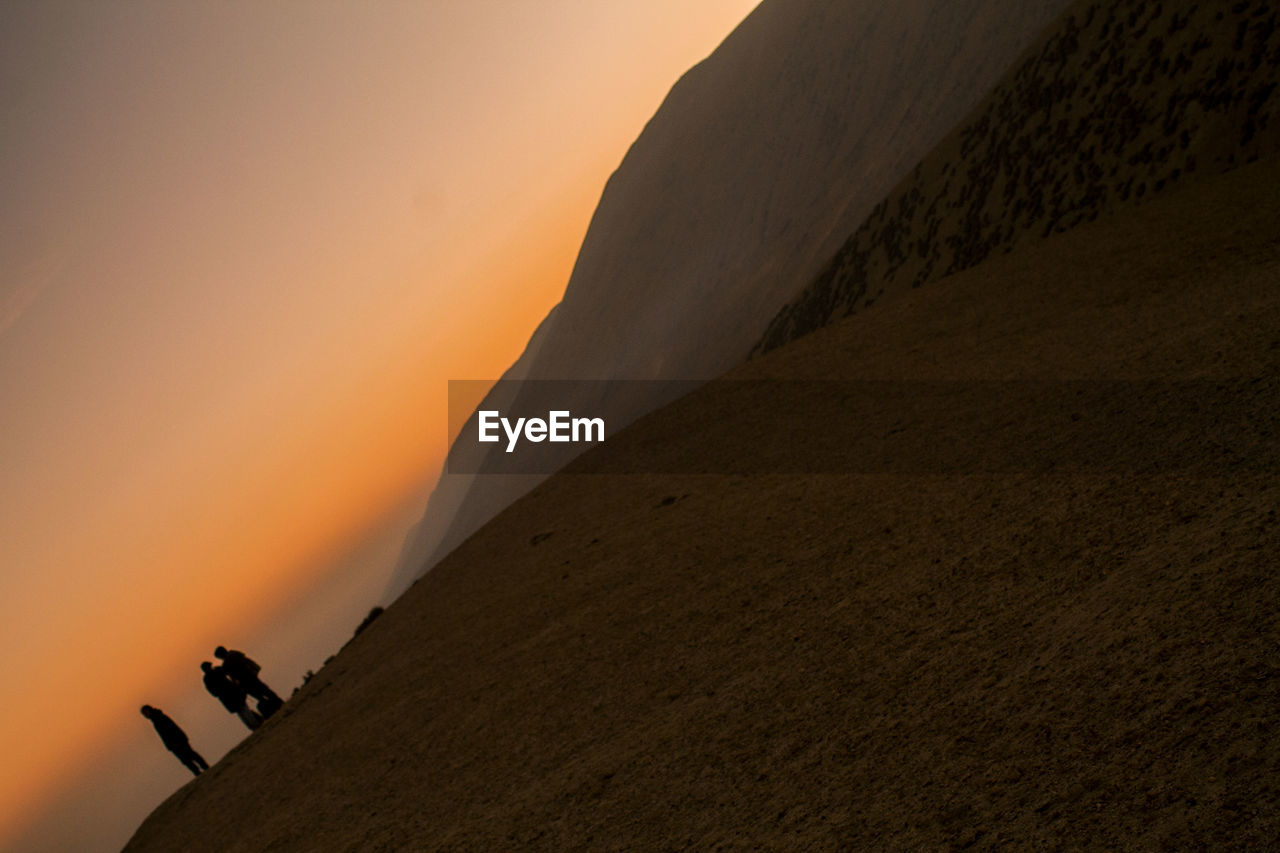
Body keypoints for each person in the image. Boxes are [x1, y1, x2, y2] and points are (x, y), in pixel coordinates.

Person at [215, 646, 283, 718]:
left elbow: (230, 674)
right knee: (265, 691)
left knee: (260, 695)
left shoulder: (227, 661)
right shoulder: (234, 654)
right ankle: (278, 703)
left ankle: (275, 706)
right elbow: (247, 661)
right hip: (250, 676)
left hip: (244, 681)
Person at [140, 705, 209, 777]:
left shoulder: (159, 717)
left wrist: (175, 742)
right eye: (144, 714)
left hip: (178, 741)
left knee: (190, 755)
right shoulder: (156, 719)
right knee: (187, 759)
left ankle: (203, 768)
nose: (145, 715)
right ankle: (198, 772)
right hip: (174, 743)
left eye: (145, 713)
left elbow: (170, 729)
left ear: (149, 710)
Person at [201, 661, 263, 730]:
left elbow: (213, 692)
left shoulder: (207, 679)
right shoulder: (216, 672)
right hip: (232, 692)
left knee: (240, 711)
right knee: (243, 708)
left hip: (226, 697)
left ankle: (252, 725)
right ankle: (255, 723)